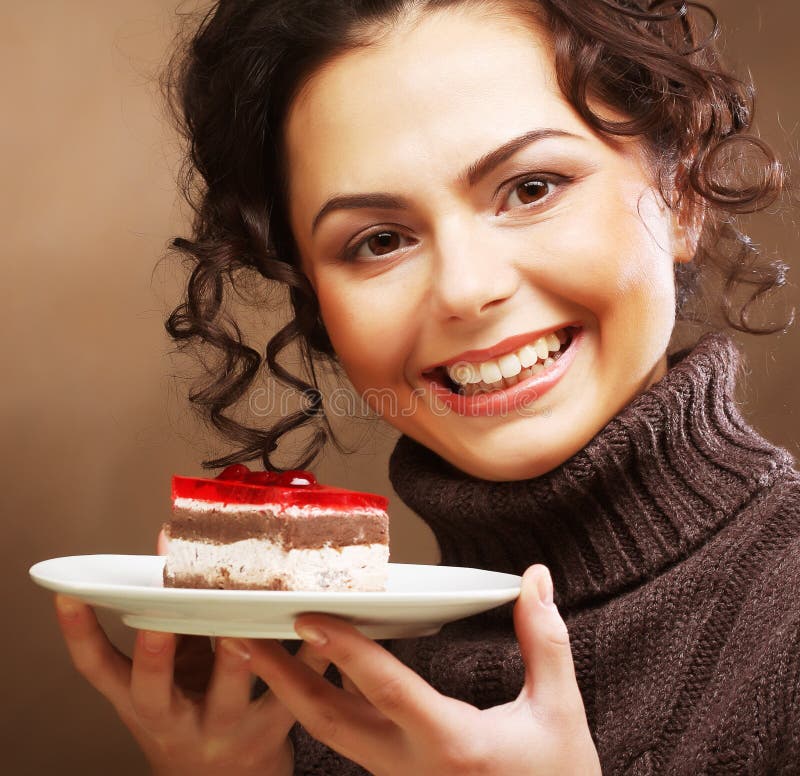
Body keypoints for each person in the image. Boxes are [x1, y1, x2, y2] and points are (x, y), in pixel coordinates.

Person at [54, 0, 800, 773]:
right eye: (379, 242)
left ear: (682, 195)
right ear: (314, 303)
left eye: (533, 187)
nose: (466, 290)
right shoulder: (311, 696)